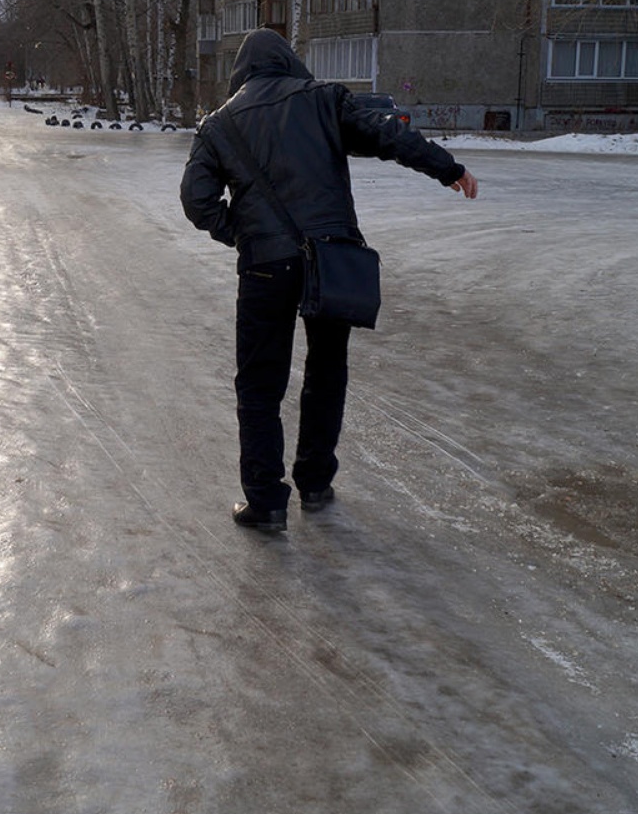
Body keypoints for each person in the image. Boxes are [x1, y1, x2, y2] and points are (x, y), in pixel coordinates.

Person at [180, 28, 478, 533]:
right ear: (289, 62)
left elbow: (196, 200)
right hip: (330, 258)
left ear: (241, 72)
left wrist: (246, 235)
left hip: (264, 268)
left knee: (259, 384)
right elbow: (388, 134)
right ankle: (315, 483)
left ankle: (267, 503)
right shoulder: (322, 100)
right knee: (326, 372)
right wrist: (446, 168)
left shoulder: (219, 125)